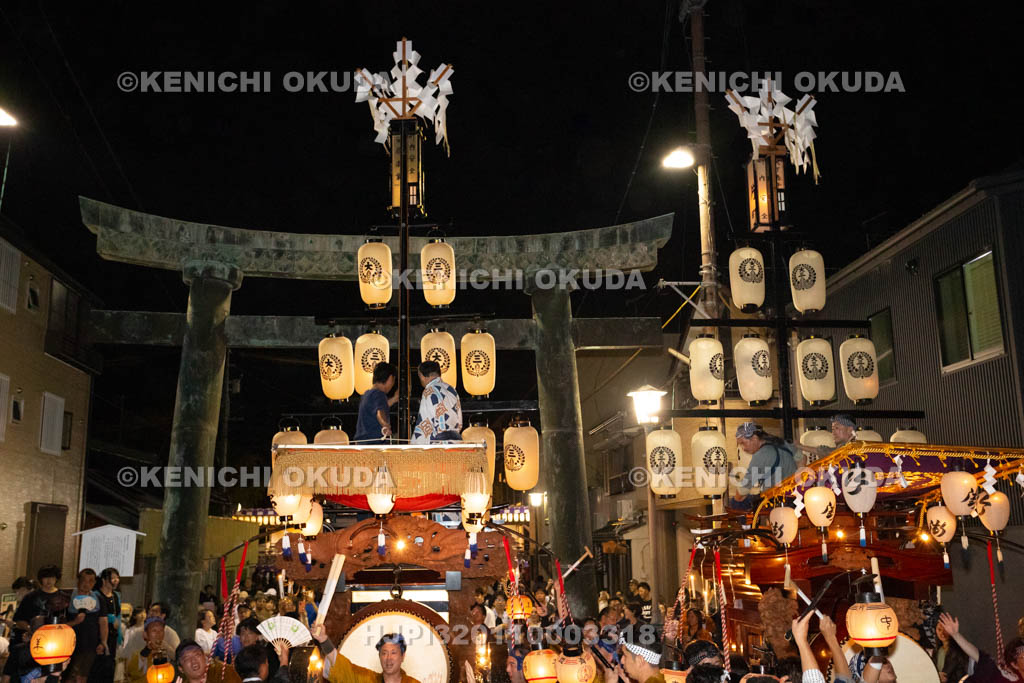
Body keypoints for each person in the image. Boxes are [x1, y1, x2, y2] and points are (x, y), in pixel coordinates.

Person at [311, 622, 422, 683]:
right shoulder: (367, 679)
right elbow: (345, 669)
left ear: (402, 656)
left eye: (393, 653)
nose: (388, 658)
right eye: (384, 653)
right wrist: (324, 640)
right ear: (379, 656)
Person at [732, 423, 799, 510]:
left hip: (778, 502)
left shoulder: (761, 455)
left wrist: (735, 503)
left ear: (755, 439)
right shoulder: (781, 443)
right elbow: (802, 458)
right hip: (796, 498)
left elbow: (743, 489)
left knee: (737, 504)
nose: (743, 448)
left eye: (743, 443)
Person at [941, 612, 1023, 682]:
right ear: (1014, 664)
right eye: (1023, 656)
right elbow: (977, 655)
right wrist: (956, 635)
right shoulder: (1002, 678)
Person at [66, 568, 108, 683]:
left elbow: (103, 622)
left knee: (83, 676)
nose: (87, 584)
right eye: (84, 580)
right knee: (70, 675)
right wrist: (75, 622)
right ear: (78, 581)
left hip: (90, 644)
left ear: (94, 583)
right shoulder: (68, 597)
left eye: (91, 581)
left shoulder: (98, 598)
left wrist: (103, 642)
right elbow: (59, 624)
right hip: (69, 643)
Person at [411, 360, 462, 443]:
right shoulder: (451, 389)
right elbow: (459, 420)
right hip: (455, 442)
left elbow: (425, 422)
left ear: (422, 376)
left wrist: (414, 445)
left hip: (439, 444)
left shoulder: (429, 391)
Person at [91, 567, 121, 682]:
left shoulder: (116, 595)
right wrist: (110, 619)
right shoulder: (95, 595)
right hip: (98, 636)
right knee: (98, 667)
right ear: (104, 580)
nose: (115, 581)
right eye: (112, 578)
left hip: (112, 636)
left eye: (117, 578)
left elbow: (118, 613)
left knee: (109, 667)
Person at [355, 362, 398, 443]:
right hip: (374, 443)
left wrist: (394, 399)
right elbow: (379, 413)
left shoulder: (367, 394)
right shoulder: (379, 394)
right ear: (390, 378)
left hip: (363, 442)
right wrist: (385, 426)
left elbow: (379, 406)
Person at [123, 617, 169, 683]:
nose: (158, 634)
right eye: (154, 631)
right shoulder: (137, 654)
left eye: (161, 630)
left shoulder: (167, 652)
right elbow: (132, 672)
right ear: (145, 634)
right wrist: (147, 650)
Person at [177, 639, 242, 683]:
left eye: (197, 655)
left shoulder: (223, 673)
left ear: (205, 658)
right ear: (181, 669)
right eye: (187, 658)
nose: (193, 661)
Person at [931, 611, 969, 683]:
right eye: (939, 629)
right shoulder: (937, 650)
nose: (942, 633)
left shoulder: (957, 651)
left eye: (945, 630)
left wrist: (936, 676)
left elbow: (946, 676)